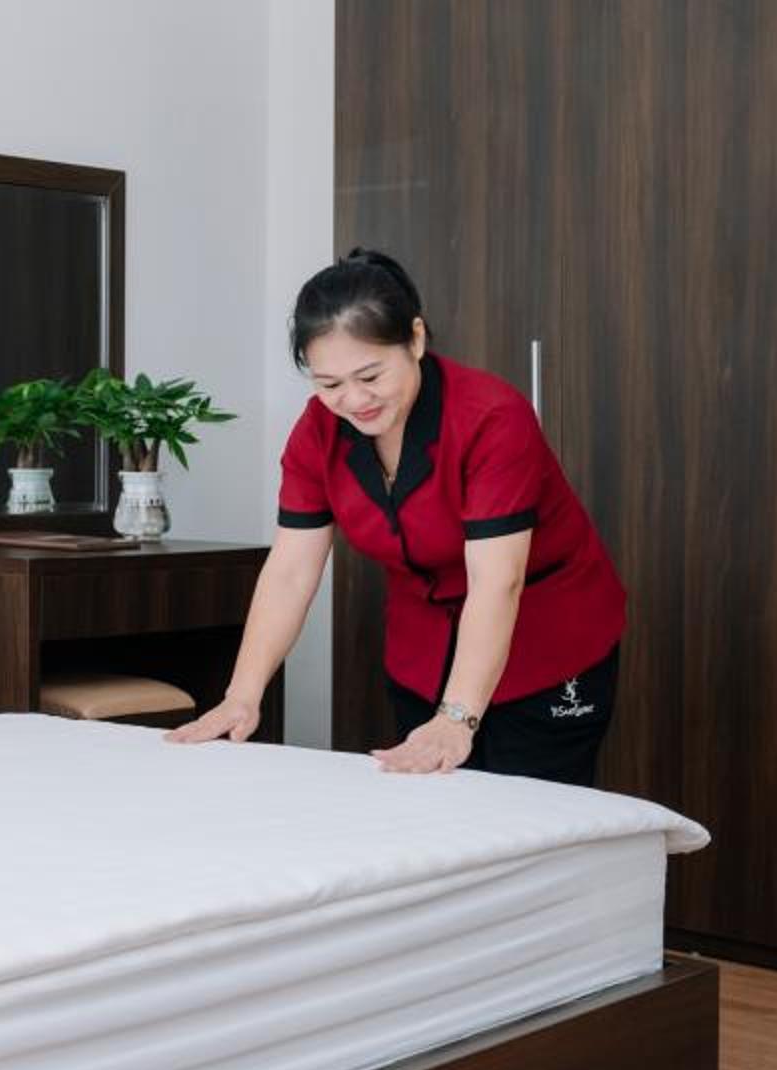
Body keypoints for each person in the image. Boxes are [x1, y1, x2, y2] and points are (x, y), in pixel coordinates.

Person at [169, 248, 627, 782]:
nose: (353, 400)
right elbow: (291, 571)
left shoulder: (491, 417)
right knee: (435, 811)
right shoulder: (318, 432)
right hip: (424, 649)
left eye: (370, 375)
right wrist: (242, 696)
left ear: (415, 339)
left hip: (545, 642)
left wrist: (456, 718)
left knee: (530, 813)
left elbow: (497, 581)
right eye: (329, 384)